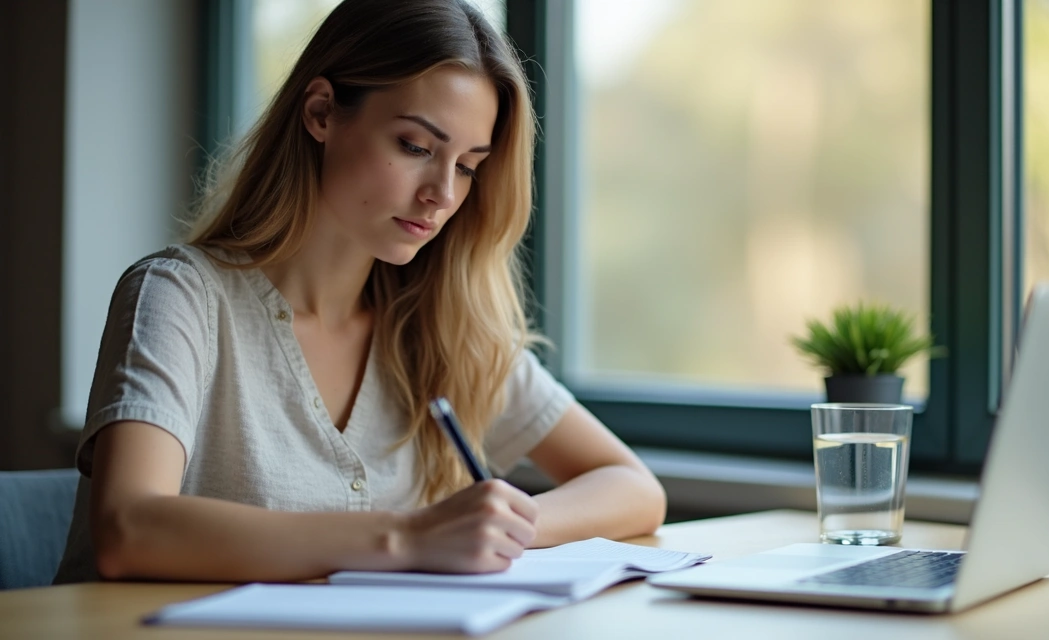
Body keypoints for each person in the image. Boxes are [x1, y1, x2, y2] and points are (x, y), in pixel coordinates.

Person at [54, 0, 666, 584]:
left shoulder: (443, 326)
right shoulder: (179, 297)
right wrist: (409, 539)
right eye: (416, 147)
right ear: (321, 112)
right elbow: (127, 527)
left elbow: (635, 488)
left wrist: (496, 531)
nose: (443, 194)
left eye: (467, 166)